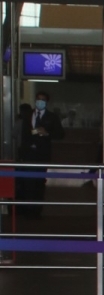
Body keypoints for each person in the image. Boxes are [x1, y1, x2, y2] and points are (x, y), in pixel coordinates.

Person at [16, 88, 62, 218]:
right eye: (38, 99)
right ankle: (26, 210)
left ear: (46, 102)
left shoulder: (51, 117)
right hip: (27, 154)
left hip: (42, 154)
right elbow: (24, 134)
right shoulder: (28, 115)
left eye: (42, 100)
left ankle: (36, 210)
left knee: (39, 182)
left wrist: (47, 133)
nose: (39, 102)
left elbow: (60, 134)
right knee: (27, 182)